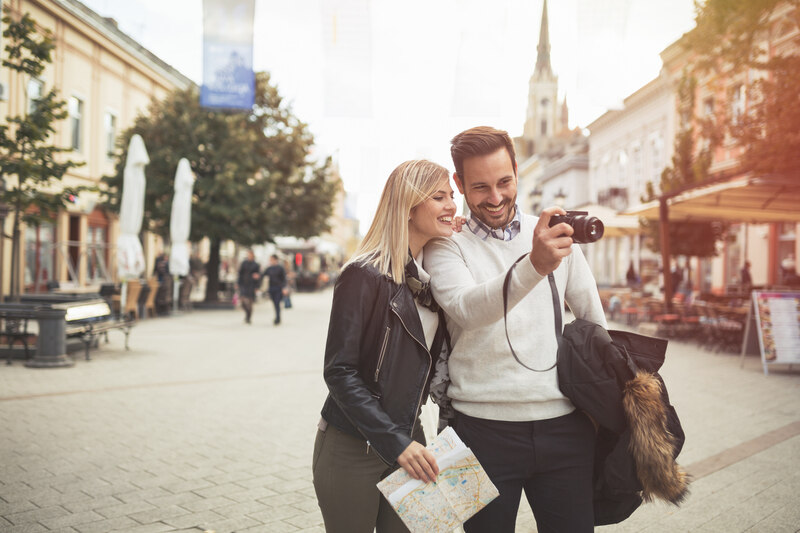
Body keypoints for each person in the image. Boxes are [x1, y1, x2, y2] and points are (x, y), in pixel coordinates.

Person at [424, 126, 606, 532]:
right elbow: (467, 308)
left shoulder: (554, 234)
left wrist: (607, 404)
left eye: (505, 181)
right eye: (480, 187)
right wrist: (534, 265)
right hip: (475, 431)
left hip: (565, 427)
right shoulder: (445, 245)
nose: (495, 197)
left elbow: (594, 320)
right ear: (459, 184)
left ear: (518, 171)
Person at [313, 160, 457, 533]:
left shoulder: (430, 280)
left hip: (410, 441)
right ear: (409, 206)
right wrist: (395, 442)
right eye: (439, 197)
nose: (452, 205)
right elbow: (339, 372)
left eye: (452, 196)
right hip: (351, 447)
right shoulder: (362, 274)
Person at [236, 250, 260, 324]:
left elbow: (258, 276)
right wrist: (238, 283)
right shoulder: (244, 263)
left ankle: (249, 317)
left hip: (252, 285)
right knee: (242, 301)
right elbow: (240, 273)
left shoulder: (256, 265)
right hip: (244, 284)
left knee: (250, 302)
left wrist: (257, 286)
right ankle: (247, 313)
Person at [263, 255, 287, 325]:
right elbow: (263, 275)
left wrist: (284, 288)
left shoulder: (280, 268)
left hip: (279, 288)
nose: (271, 261)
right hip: (271, 288)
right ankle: (277, 316)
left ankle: (277, 318)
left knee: (277, 302)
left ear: (276, 260)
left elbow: (284, 279)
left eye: (272, 259)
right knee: (274, 303)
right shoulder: (269, 268)